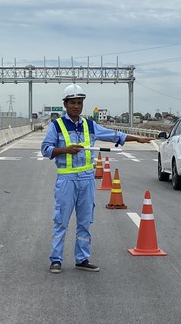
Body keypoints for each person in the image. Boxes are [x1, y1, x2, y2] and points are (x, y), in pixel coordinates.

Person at [41, 84, 152, 274]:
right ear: (65, 104)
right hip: (67, 179)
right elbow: (46, 149)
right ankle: (56, 259)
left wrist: (137, 138)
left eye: (79, 103)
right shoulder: (56, 126)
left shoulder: (90, 125)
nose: (76, 106)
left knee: (85, 221)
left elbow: (113, 135)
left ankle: (82, 259)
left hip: (87, 179)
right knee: (61, 221)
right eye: (72, 103)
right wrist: (66, 149)